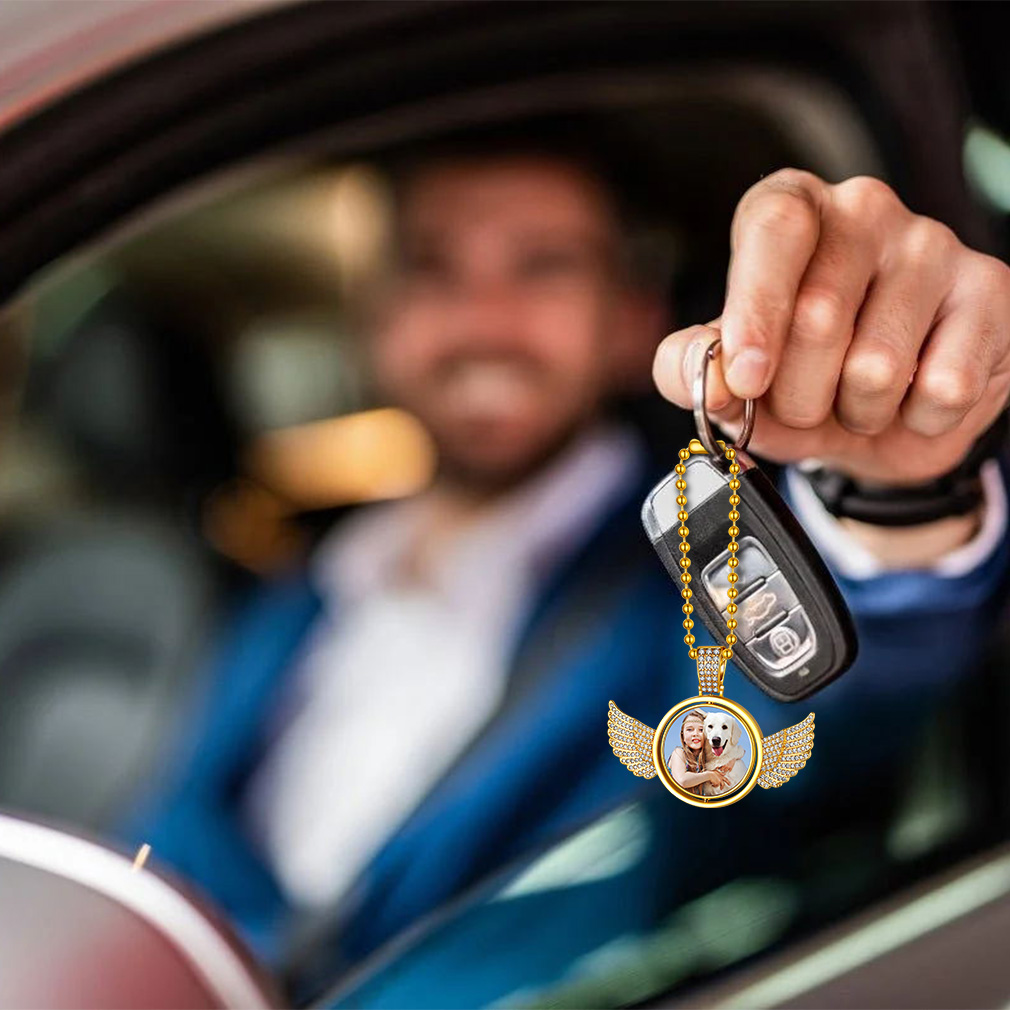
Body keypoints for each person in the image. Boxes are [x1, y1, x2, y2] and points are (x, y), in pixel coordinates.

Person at [114, 134, 1010, 1005]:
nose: (483, 320)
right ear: (378, 315)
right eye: (433, 266)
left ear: (629, 319)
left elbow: (808, 705)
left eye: (543, 265)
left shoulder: (689, 583)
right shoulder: (291, 585)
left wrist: (893, 492)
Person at [668, 710, 727, 796]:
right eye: (689, 729)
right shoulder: (679, 753)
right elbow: (682, 780)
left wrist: (732, 761)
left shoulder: (708, 757)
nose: (695, 734)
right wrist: (709, 775)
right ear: (683, 736)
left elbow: (736, 751)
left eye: (701, 730)